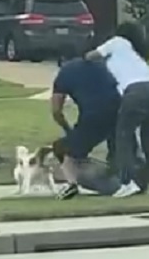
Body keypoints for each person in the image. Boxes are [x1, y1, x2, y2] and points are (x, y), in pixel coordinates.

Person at [85, 21, 149, 198]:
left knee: (123, 136)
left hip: (136, 91)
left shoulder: (118, 42)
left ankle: (127, 182)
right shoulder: (135, 53)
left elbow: (92, 56)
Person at [51, 46, 121, 200]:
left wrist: (68, 130)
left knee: (64, 149)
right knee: (118, 151)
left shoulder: (64, 73)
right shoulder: (99, 65)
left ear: (62, 61)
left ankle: (72, 184)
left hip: (93, 115)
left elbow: (56, 111)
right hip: (119, 109)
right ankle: (128, 180)